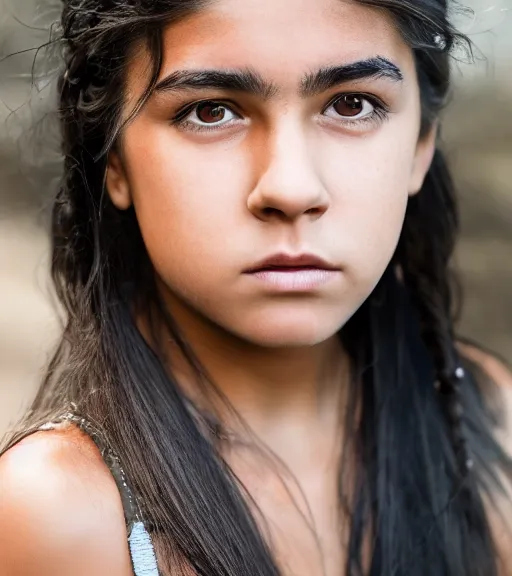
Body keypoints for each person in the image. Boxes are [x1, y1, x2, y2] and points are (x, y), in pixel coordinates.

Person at [0, 0, 511, 574]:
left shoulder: (490, 427)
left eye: (352, 104)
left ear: (421, 144)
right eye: (211, 112)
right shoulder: (58, 514)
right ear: (113, 161)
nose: (291, 187)